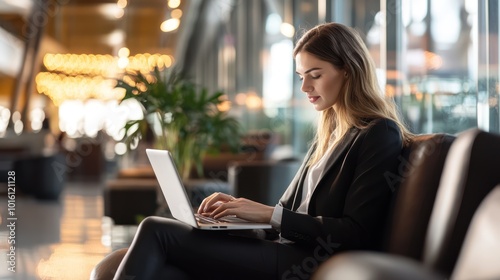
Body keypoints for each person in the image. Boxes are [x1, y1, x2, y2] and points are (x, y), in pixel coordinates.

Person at [110, 22, 413, 280]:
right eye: (301, 76)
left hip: (306, 261)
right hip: (282, 248)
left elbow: (355, 232)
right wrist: (238, 217)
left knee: (155, 229)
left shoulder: (378, 133)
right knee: (157, 270)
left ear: (347, 70)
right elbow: (285, 214)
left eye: (315, 75)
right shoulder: (330, 133)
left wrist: (267, 214)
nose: (305, 86)